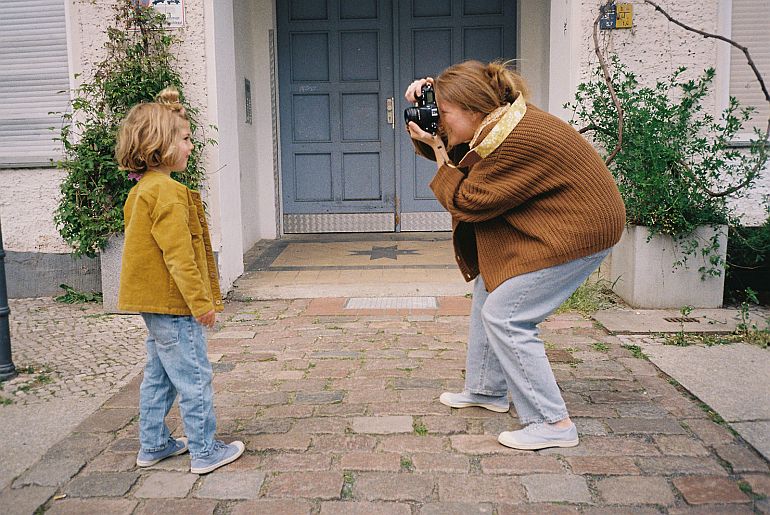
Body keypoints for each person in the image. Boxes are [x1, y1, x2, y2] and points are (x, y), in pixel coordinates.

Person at [404, 60, 626, 450]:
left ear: (473, 109)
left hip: (580, 230)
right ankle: (487, 389)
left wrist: (437, 145)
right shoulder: (498, 125)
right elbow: (458, 163)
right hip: (552, 220)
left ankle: (552, 423)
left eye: (445, 113)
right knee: (490, 286)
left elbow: (468, 199)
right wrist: (433, 129)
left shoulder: (517, 138)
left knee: (507, 315)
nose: (441, 124)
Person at [115, 87, 245, 473]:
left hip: (152, 305)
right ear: (160, 144)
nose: (191, 146)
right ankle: (205, 451)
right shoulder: (168, 193)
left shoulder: (142, 191)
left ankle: (153, 444)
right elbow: (178, 257)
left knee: (159, 376)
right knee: (194, 376)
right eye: (185, 139)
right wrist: (201, 304)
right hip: (174, 305)